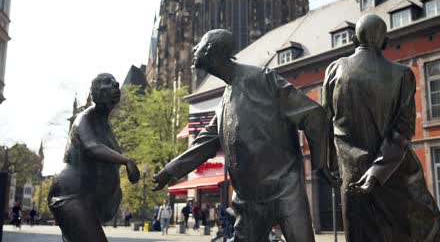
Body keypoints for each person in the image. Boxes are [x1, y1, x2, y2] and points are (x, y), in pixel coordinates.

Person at [153, 29, 337, 242]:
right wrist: (169, 172)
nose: (194, 49)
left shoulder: (261, 78)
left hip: (285, 191)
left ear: (211, 50)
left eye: (200, 44)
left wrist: (321, 163)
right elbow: (203, 144)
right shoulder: (224, 102)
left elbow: (313, 115)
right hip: (249, 201)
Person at [322, 14, 440, 242]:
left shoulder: (334, 70)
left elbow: (325, 123)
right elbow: (403, 130)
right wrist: (377, 172)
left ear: (353, 39)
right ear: (386, 41)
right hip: (395, 174)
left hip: (353, 176)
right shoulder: (403, 74)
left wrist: (329, 165)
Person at [47, 73, 140, 242]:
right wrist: (126, 160)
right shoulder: (84, 118)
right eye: (108, 82)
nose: (116, 84)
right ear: (96, 92)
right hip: (70, 195)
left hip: (89, 198)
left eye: (115, 83)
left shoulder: (105, 124)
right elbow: (92, 147)